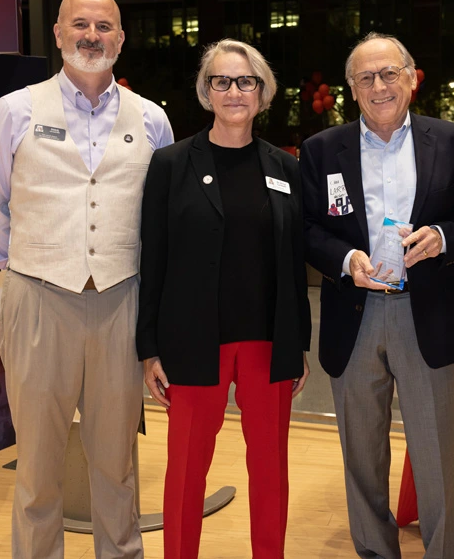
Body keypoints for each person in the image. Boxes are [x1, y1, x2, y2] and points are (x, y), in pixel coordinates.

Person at [0, 0, 174, 559]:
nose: (92, 35)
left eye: (104, 26)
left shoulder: (152, 119)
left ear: (121, 39)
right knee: (38, 462)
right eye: (79, 24)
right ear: (57, 34)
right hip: (38, 298)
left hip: (121, 301)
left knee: (117, 460)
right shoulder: (14, 111)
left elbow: (161, 218)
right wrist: (34, 262)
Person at [300, 32, 454, 559]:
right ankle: (375, 552)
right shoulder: (322, 150)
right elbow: (309, 230)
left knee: (435, 454)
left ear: (411, 78)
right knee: (361, 454)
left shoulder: (450, 142)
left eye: (389, 74)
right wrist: (345, 261)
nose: (379, 85)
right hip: (354, 316)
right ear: (351, 88)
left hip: (425, 314)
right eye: (366, 77)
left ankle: (444, 552)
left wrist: (444, 238)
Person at [137, 39, 311, 559]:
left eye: (246, 82)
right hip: (192, 343)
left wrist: (297, 342)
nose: (234, 92)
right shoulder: (170, 164)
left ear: (263, 93)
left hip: (266, 341)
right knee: (186, 469)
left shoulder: (286, 167)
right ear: (205, 91)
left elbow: (294, 263)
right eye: (222, 81)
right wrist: (150, 347)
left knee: (270, 470)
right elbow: (155, 258)